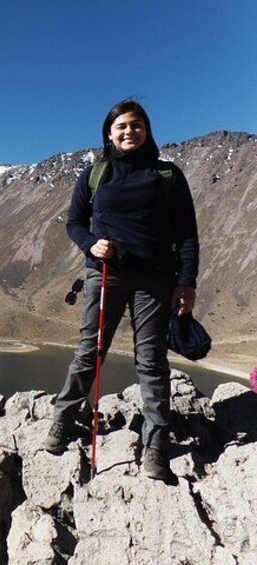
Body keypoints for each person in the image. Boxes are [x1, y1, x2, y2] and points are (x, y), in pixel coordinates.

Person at [42, 99, 200, 481]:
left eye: (137, 125)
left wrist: (186, 282)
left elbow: (187, 235)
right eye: (122, 126)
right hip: (105, 274)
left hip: (155, 280)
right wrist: (91, 245)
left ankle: (157, 446)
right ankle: (62, 421)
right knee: (90, 353)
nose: (130, 131)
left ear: (147, 130)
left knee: (151, 363)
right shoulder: (96, 174)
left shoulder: (167, 176)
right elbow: (75, 221)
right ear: (109, 133)